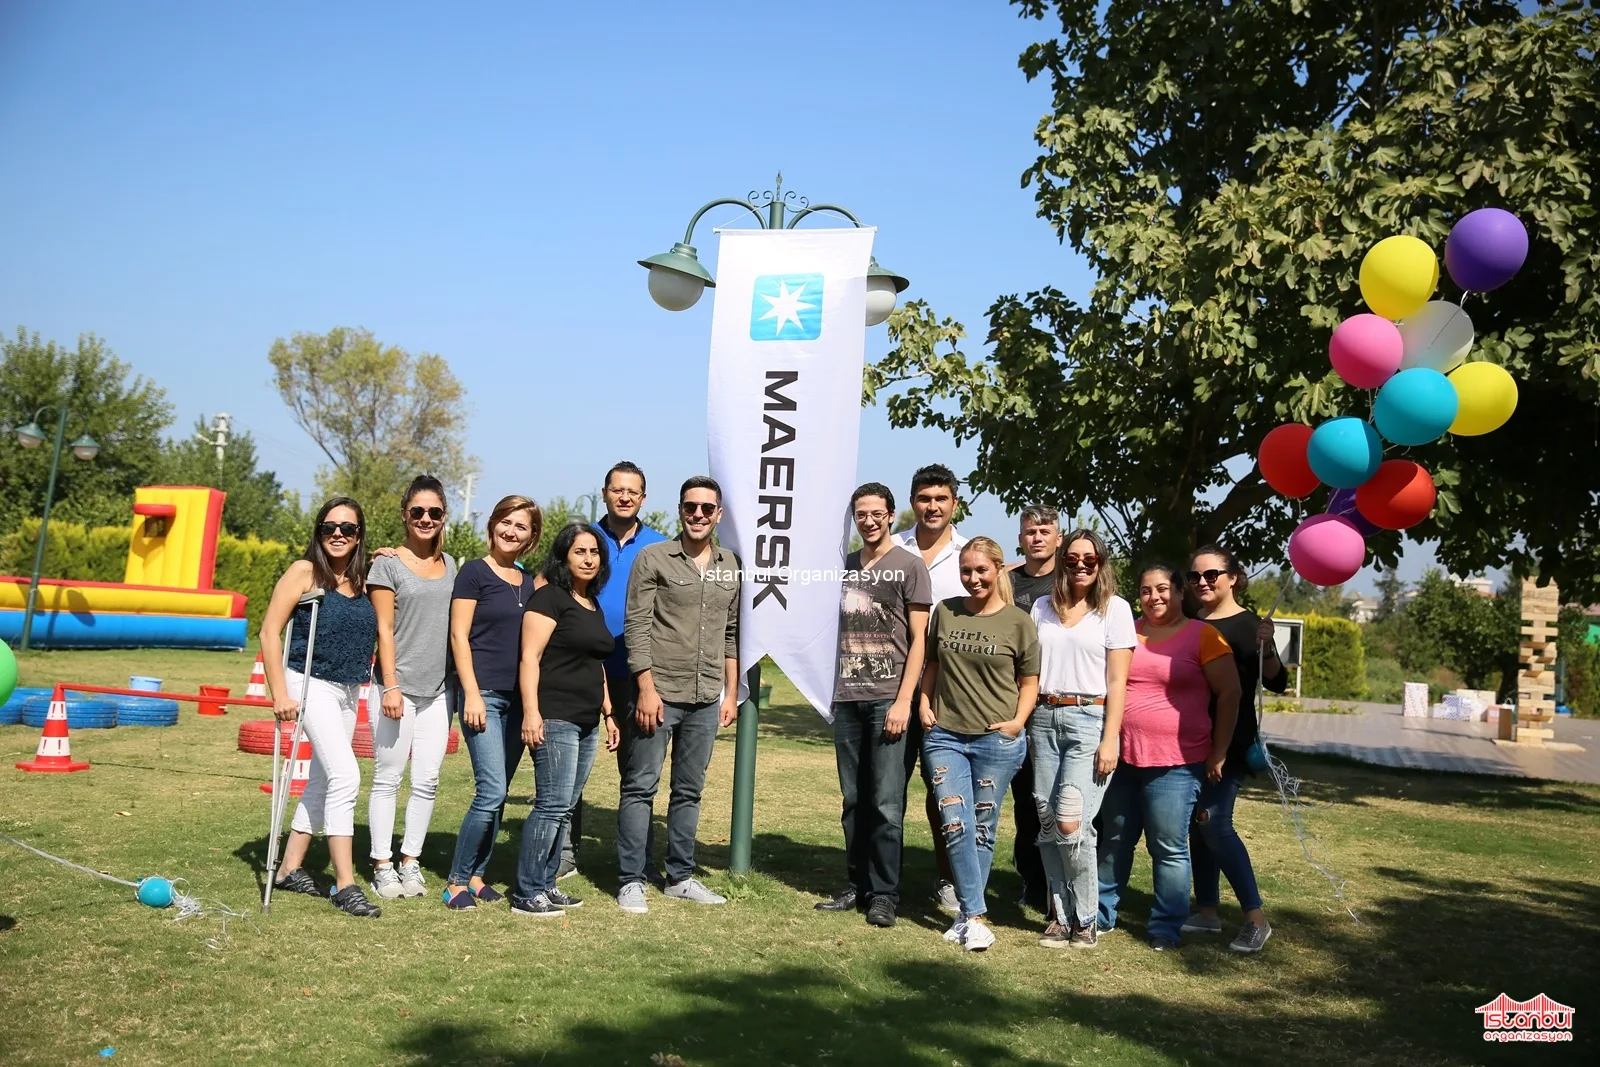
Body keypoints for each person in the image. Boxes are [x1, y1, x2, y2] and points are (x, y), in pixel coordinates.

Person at [1097, 564, 1241, 951]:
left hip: (1177, 763)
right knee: (1114, 839)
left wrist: (1220, 750)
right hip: (1122, 757)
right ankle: (1100, 914)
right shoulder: (1127, 632)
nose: (1154, 597)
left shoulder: (1203, 635)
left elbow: (1230, 693)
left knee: (1168, 847)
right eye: (1146, 591)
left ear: (1179, 592)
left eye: (1162, 588)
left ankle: (1165, 926)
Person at [616, 476, 741, 914]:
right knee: (640, 787)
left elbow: (730, 633)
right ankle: (631, 879)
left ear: (718, 514)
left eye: (707, 508)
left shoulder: (731, 565)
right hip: (660, 693)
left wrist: (730, 693)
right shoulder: (653, 558)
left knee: (689, 791)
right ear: (680, 510)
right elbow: (637, 627)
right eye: (691, 507)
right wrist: (645, 689)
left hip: (707, 696)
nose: (698, 515)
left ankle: (680, 877)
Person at [259, 497, 381, 918]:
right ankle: (345, 884)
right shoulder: (303, 571)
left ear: (359, 536)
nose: (338, 534)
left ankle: (289, 868)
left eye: (348, 528)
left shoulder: (363, 578)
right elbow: (269, 632)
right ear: (319, 531)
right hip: (308, 681)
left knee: (325, 779)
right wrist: (280, 694)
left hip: (348, 688)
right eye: (330, 527)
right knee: (347, 776)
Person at [817, 482, 932, 929]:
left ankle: (884, 894)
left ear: (890, 515)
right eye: (861, 514)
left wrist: (904, 700)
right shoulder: (843, 567)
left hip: (888, 698)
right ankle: (857, 885)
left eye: (876, 514)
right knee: (853, 800)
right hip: (847, 698)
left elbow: (920, 640)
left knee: (885, 802)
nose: (868, 521)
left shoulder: (909, 566)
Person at [918, 536, 1040, 952]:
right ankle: (975, 915)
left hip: (996, 741)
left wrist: (1017, 722)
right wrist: (923, 703)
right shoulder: (946, 611)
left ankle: (966, 917)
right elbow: (932, 663)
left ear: (999, 570)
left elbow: (1029, 681)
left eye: (981, 570)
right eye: (966, 570)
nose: (973, 578)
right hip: (945, 735)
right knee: (955, 821)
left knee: (983, 828)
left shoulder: (1018, 622)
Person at [556, 461, 667, 884]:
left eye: (632, 491)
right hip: (581, 669)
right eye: (617, 489)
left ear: (643, 498)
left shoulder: (659, 546)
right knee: (570, 770)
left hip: (638, 674)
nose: (624, 497)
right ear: (604, 493)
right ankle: (564, 854)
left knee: (638, 774)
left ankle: (638, 860)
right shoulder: (584, 540)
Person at [1027, 528, 1135, 950]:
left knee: (1073, 821)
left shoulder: (1115, 609)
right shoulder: (1042, 607)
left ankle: (1086, 919)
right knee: (1048, 819)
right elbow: (1029, 669)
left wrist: (1111, 738)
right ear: (1062, 562)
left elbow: (1118, 681)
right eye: (1072, 559)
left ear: (1101, 563)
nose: (1080, 566)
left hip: (1089, 718)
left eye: (1089, 559)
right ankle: (1059, 916)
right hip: (1043, 716)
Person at [510, 523, 621, 917]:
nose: (589, 559)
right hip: (555, 716)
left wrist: (609, 712)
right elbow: (529, 658)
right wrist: (531, 712)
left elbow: (596, 662)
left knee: (567, 806)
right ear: (563, 557)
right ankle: (526, 892)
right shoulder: (549, 598)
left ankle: (547, 883)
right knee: (552, 804)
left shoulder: (591, 604)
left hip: (588, 720)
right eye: (580, 551)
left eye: (594, 552)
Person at [1184, 544, 1287, 954]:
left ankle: (1256, 919)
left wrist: (1268, 647)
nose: (1202, 582)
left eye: (1211, 575)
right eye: (1195, 576)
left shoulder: (1249, 626)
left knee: (1213, 821)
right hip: (1189, 738)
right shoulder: (1190, 621)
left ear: (1233, 579)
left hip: (1231, 741)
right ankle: (1207, 911)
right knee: (1196, 824)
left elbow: (1277, 681)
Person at [444, 494, 543, 909]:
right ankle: (455, 882)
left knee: (499, 793)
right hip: (482, 695)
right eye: (506, 521)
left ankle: (478, 875)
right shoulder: (473, 573)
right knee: (491, 790)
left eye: (521, 526)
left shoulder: (529, 581)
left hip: (518, 701)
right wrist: (470, 692)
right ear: (493, 524)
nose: (511, 531)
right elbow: (458, 635)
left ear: (531, 537)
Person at [366, 475, 457, 900]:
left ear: (444, 516)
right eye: (417, 511)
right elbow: (383, 628)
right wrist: (390, 686)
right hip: (395, 688)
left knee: (427, 780)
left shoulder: (452, 565)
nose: (425, 518)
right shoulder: (385, 564)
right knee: (388, 777)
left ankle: (410, 861)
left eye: (434, 512)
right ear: (405, 515)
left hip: (439, 692)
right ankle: (382, 865)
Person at [893, 463, 968, 914]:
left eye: (941, 498)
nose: (932, 506)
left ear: (954, 503)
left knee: (944, 790)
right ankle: (882, 880)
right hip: (892, 684)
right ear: (912, 502)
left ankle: (949, 878)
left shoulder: (967, 555)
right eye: (924, 498)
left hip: (949, 689)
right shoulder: (892, 548)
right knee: (887, 788)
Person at [1005, 505, 1060, 914]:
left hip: (1058, 702)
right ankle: (1032, 881)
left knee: (1058, 801)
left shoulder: (1072, 580)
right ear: (1020, 538)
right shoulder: (1007, 582)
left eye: (1044, 531)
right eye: (1030, 531)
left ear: (1058, 537)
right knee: (1026, 802)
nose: (1037, 537)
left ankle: (1063, 882)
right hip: (1012, 703)